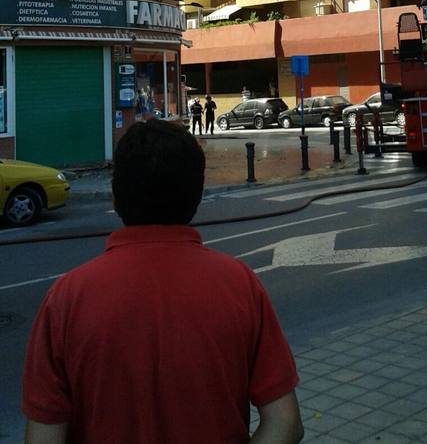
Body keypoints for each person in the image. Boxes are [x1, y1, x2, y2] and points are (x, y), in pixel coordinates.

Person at [22, 119, 303, 444]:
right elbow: (286, 423)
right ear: (197, 195)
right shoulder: (240, 284)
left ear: (115, 197)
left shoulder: (66, 299)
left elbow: (43, 437)